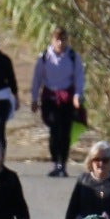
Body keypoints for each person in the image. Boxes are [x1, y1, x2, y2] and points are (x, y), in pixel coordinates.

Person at [31, 27, 85, 178]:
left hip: (67, 98)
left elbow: (79, 77)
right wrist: (34, 99)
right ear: (52, 40)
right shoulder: (44, 58)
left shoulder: (73, 57)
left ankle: (62, 164)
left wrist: (77, 95)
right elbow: (37, 79)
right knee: (54, 129)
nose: (60, 43)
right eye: (57, 39)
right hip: (50, 98)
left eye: (63, 39)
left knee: (65, 132)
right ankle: (56, 161)